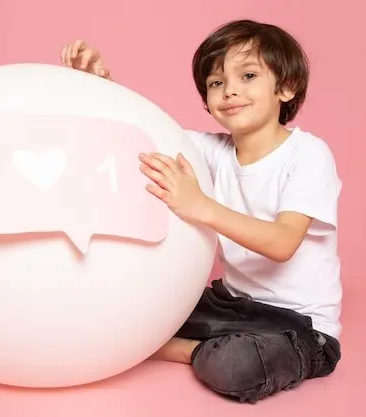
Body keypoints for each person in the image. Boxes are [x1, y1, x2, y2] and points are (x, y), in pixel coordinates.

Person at [59, 19, 342, 403]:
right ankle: (178, 341)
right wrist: (99, 84)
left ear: (286, 87)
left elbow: (283, 243)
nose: (230, 90)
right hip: (232, 305)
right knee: (126, 308)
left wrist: (200, 206)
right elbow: (142, 131)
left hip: (301, 327)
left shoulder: (307, 155)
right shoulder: (210, 150)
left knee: (236, 366)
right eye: (216, 82)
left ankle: (178, 349)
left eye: (248, 76)